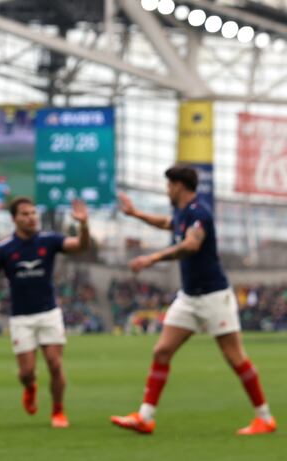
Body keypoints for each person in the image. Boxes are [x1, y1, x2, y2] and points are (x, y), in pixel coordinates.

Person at [110, 166, 276, 435]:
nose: (167, 190)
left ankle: (265, 418)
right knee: (161, 352)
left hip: (214, 297)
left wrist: (151, 258)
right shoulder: (183, 213)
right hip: (188, 297)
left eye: (168, 185)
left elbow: (191, 245)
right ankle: (145, 417)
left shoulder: (199, 212)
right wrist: (136, 214)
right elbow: (167, 223)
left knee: (235, 358)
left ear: (178, 185)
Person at [0, 196, 90, 428]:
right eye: (25, 214)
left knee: (55, 365)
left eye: (33, 213)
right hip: (21, 318)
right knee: (26, 373)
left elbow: (80, 246)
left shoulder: (49, 240)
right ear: (14, 218)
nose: (31, 218)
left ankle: (58, 410)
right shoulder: (5, 249)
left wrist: (84, 225)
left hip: (49, 313)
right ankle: (30, 387)